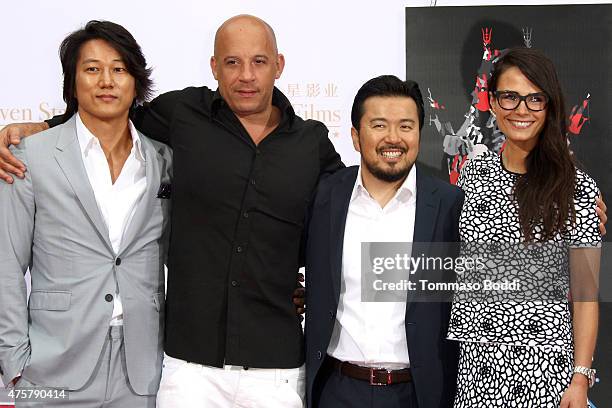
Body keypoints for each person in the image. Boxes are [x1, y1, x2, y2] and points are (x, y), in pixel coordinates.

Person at [0, 14, 342, 407]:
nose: (246, 75)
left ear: (278, 65)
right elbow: (109, 116)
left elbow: (343, 223)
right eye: (232, 62)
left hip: (275, 368)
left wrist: (308, 286)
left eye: (259, 62)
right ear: (214, 66)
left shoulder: (311, 142)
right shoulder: (181, 115)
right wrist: (39, 126)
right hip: (185, 368)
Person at [0, 21, 172, 407]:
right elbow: (6, 265)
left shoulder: (164, 161)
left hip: (142, 368)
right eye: (92, 69)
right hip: (51, 365)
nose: (106, 81)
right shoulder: (31, 156)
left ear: (136, 81)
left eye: (119, 69)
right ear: (73, 82)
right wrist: (14, 360)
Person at [447, 47, 601, 408]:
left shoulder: (577, 187)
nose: (521, 110)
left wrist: (580, 380)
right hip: (477, 376)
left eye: (535, 99)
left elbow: (586, 295)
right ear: (494, 102)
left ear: (550, 107)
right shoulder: (473, 174)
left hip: (548, 377)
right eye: (510, 97)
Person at [304, 75, 462, 407]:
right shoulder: (323, 197)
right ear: (355, 137)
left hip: (419, 394)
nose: (394, 138)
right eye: (379, 125)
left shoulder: (452, 204)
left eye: (406, 126)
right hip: (337, 390)